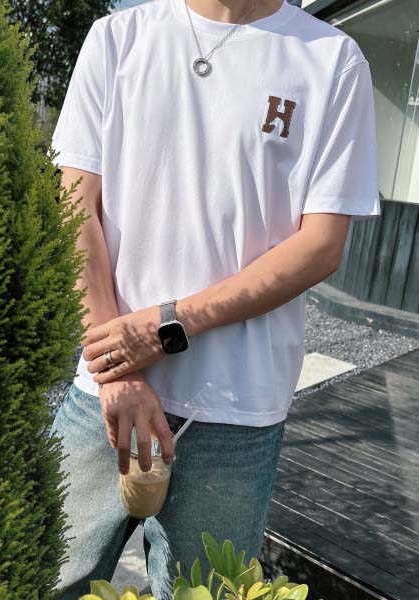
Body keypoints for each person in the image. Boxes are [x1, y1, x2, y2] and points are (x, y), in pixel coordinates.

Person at [48, 0, 380, 598]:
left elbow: (321, 245)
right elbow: (75, 209)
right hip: (103, 397)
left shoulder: (333, 60)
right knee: (45, 582)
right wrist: (118, 370)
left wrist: (166, 326)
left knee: (206, 593)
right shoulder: (119, 39)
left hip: (235, 411)